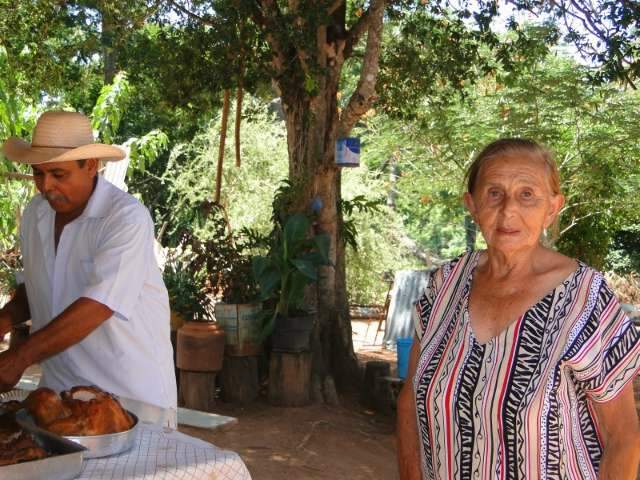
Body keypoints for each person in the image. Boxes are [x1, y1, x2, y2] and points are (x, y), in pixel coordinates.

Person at [397, 138, 640, 479]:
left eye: (528, 195)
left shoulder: (585, 298)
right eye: (494, 193)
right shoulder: (444, 286)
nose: (508, 210)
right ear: (472, 204)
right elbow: (410, 403)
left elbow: (624, 437)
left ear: (552, 208)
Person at [0, 111, 177, 420]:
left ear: (91, 166)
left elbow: (98, 305)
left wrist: (21, 356)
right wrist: (4, 318)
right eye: (38, 174)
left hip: (128, 397)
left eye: (59, 174)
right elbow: (40, 286)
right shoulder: (35, 214)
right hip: (59, 393)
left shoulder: (125, 218)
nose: (46, 186)